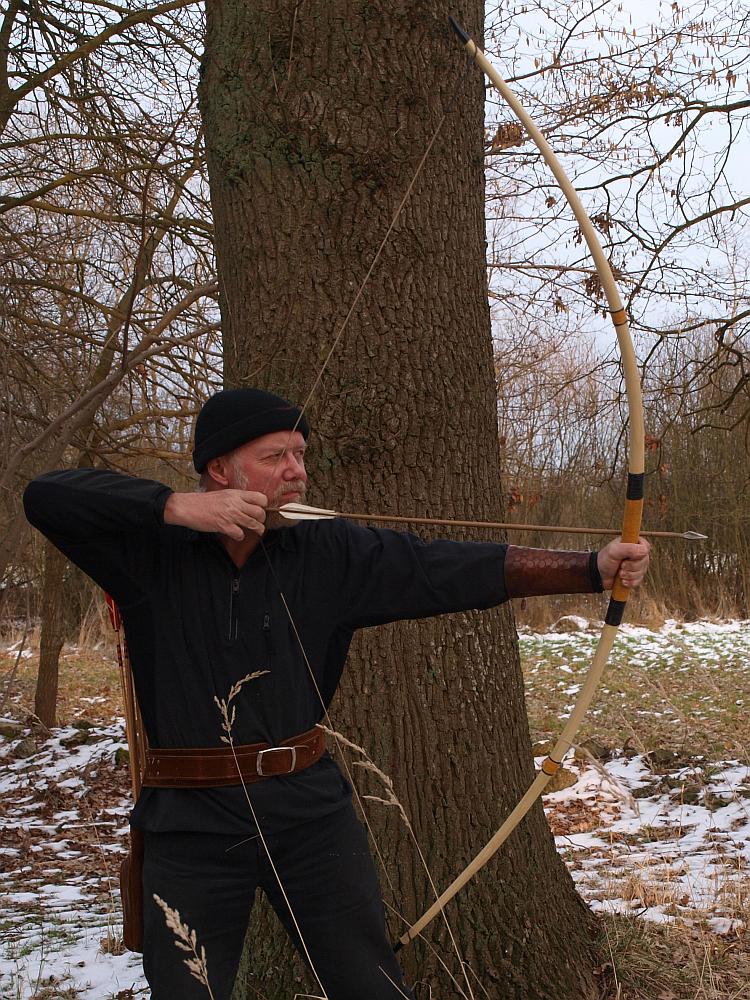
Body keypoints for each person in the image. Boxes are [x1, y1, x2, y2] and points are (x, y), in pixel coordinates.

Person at [23, 387, 650, 1000]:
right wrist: (174, 507)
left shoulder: (328, 550)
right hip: (189, 818)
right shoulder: (148, 551)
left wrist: (588, 569)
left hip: (307, 811)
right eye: (275, 456)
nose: (296, 470)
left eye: (300, 454)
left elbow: (441, 568)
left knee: (367, 984)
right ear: (219, 469)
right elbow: (45, 496)